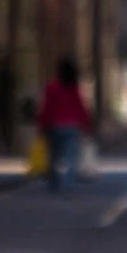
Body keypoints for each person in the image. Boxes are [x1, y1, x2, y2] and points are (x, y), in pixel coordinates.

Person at [36, 58, 93, 193]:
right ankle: (68, 185)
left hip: (54, 127)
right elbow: (81, 108)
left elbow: (46, 108)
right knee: (71, 158)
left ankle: (54, 184)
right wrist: (87, 126)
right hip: (72, 128)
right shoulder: (74, 89)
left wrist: (42, 125)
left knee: (53, 157)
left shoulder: (52, 88)